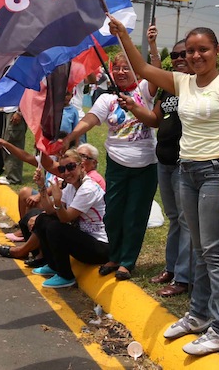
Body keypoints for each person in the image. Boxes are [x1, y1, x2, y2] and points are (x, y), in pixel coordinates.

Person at [109, 18, 219, 356]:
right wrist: (125, 34)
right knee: (198, 249)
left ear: (217, 51)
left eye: (203, 49)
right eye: (191, 50)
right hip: (187, 171)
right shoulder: (182, 82)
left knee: (214, 251)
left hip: (217, 172)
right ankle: (199, 315)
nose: (196, 55)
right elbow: (141, 67)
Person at [61, 51, 158, 282]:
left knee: (135, 214)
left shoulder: (144, 89)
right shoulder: (106, 98)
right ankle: (114, 256)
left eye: (127, 68)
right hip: (116, 163)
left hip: (145, 165)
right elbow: (90, 119)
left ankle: (126, 262)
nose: (121, 72)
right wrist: (70, 137)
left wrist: (153, 47)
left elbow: (155, 71)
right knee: (113, 214)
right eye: (117, 68)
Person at [121, 37, 192, 298]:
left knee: (185, 221)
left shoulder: (195, 86)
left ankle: (183, 277)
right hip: (165, 162)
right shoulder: (168, 88)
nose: (180, 59)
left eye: (185, 54)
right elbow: (154, 120)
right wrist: (134, 107)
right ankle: (172, 268)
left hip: (186, 163)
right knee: (175, 219)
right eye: (175, 56)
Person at [0, 149, 109, 289]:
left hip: (101, 247)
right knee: (43, 218)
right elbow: (50, 211)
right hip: (84, 238)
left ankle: (66, 276)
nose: (67, 173)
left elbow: (65, 218)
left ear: (81, 167)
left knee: (55, 227)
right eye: (63, 169)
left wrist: (57, 202)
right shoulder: (71, 186)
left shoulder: (88, 189)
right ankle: (52, 265)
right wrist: (41, 187)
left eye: (71, 167)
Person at [0, 109, 27, 185]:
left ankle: (14, 178)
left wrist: (19, 113)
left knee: (13, 143)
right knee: (7, 143)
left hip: (15, 112)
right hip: (9, 111)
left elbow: (23, 97)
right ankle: (10, 175)